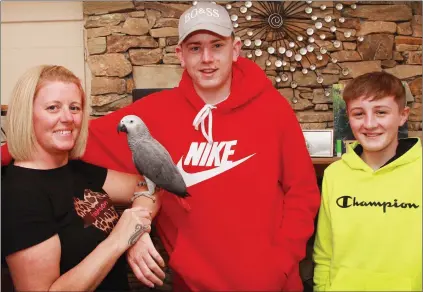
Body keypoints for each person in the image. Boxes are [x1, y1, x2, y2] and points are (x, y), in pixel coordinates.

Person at [2, 2, 320, 291]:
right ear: (180, 54)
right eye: (195, 48)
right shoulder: (152, 115)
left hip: (274, 284)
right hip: (194, 284)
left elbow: (303, 192)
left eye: (217, 46)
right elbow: (71, 135)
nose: (207, 58)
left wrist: (282, 262)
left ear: (235, 49)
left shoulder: (274, 110)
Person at [1, 65, 159, 291]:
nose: (68, 118)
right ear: (26, 115)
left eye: (74, 108)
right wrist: (119, 240)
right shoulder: (19, 194)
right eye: (53, 107)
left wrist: (138, 228)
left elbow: (148, 185)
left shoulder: (77, 170)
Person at [313, 71, 422, 291]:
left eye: (381, 112)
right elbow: (324, 252)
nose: (369, 124)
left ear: (403, 115)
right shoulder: (335, 175)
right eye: (359, 114)